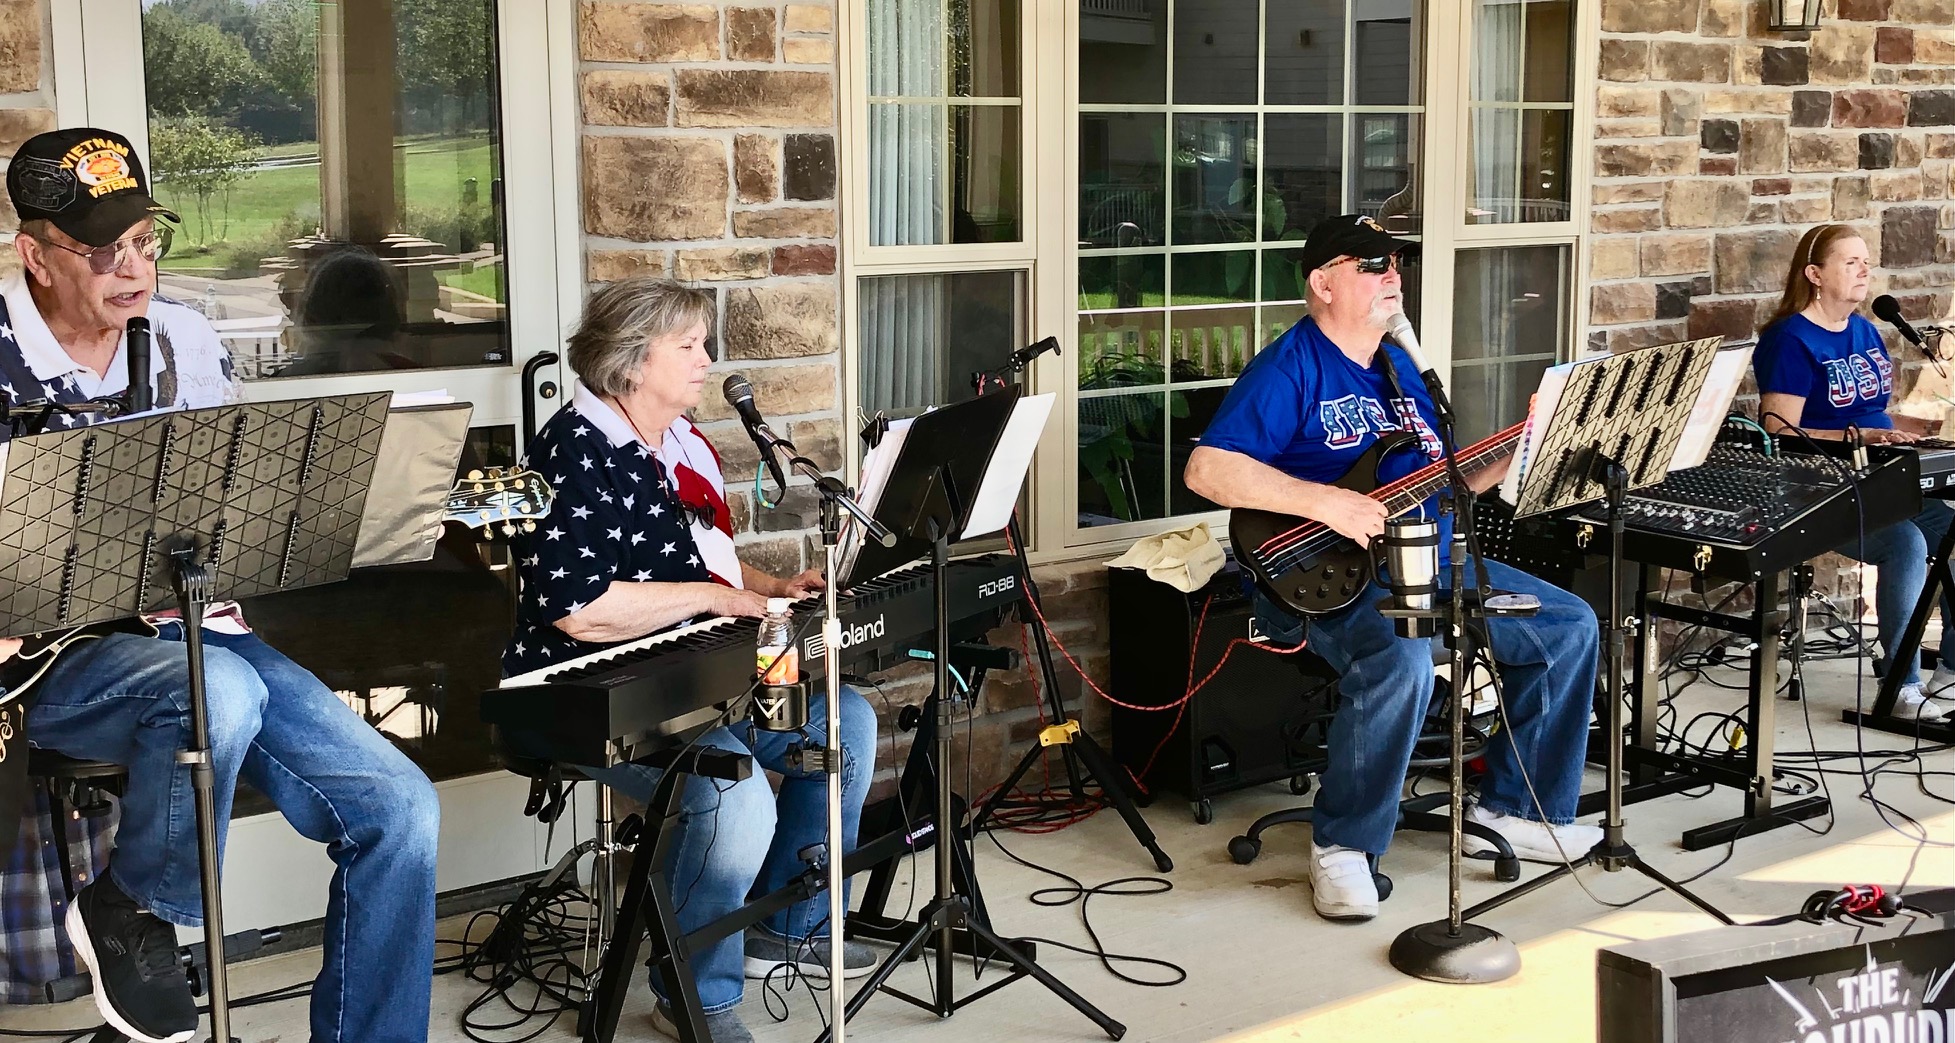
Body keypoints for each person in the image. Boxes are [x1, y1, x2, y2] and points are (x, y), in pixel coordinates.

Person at [2, 128, 439, 1043]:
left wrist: (317, 516)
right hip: (41, 660)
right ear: (34, 255)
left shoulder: (183, 341)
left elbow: (236, 497)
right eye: (99, 248)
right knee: (222, 693)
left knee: (400, 809)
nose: (131, 268)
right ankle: (137, 907)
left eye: (145, 242)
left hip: (196, 630)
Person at [1183, 214, 1603, 923]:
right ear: (1321, 283)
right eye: (1371, 264)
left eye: (1395, 264)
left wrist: (1518, 446)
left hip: (1429, 556)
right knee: (1401, 658)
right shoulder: (1289, 367)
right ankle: (1343, 843)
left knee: (1568, 625)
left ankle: (1518, 808)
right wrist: (1326, 503)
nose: (1391, 276)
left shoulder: (1397, 363)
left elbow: (1447, 480)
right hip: (1326, 576)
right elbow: (1207, 468)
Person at [502, 277, 878, 1043]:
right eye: (690, 346)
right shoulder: (572, 453)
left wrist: (771, 586)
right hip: (581, 695)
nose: (708, 360)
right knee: (732, 795)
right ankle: (692, 991)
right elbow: (580, 610)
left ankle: (788, 924)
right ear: (633, 361)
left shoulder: (667, 441)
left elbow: (694, 562)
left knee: (845, 721)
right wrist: (713, 599)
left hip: (688, 675)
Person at [1753, 224, 1955, 720]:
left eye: (1866, 261)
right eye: (1850, 262)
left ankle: (1951, 669)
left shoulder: (1865, 330)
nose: (1865, 270)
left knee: (1954, 529)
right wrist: (1858, 439)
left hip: (1879, 478)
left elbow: (1873, 416)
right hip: (1817, 488)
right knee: (1905, 541)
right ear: (1815, 274)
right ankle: (1900, 685)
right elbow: (1777, 432)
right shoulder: (1790, 340)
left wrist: (1928, 427)